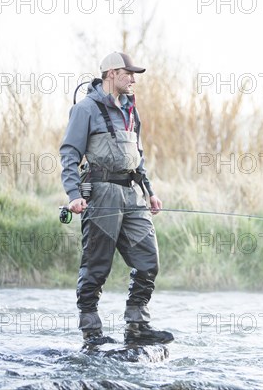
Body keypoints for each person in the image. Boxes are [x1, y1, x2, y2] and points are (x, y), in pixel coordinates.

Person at [60, 52, 173, 346]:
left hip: (132, 195)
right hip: (101, 193)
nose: (134, 79)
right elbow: (69, 154)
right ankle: (92, 332)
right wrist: (73, 195)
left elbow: (139, 156)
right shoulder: (85, 109)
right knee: (97, 265)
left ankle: (137, 326)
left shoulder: (132, 111)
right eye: (128, 73)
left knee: (148, 260)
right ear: (111, 73)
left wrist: (150, 192)